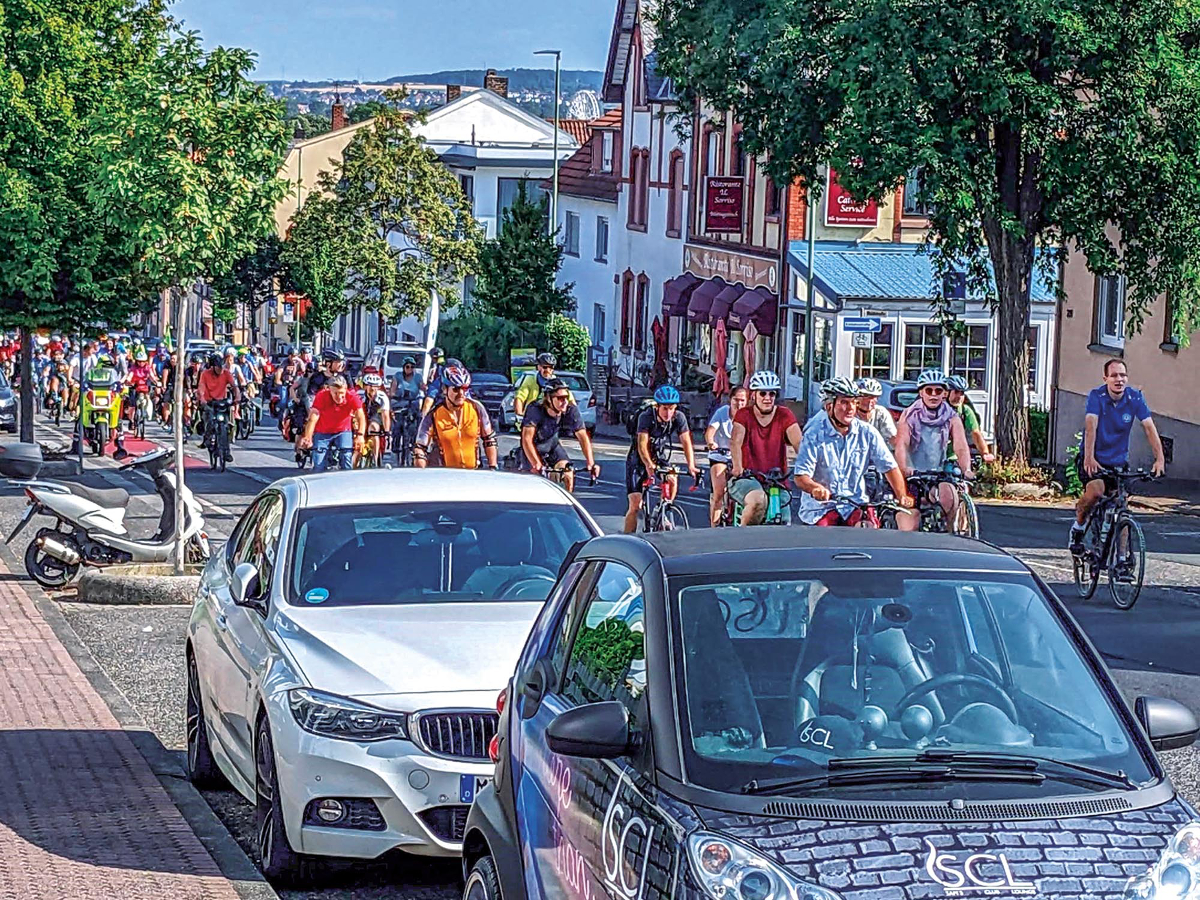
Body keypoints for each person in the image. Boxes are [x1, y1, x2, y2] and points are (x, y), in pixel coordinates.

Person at [1069, 359, 1165, 552]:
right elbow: (1091, 426)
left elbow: (1149, 427)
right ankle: (1078, 527)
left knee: (1122, 508)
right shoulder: (1097, 396)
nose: (1119, 379)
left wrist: (1159, 458)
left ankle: (1121, 559)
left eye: (1122, 375)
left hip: (1118, 462)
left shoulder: (1134, 398)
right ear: (1106, 378)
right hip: (1095, 459)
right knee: (1095, 492)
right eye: (1114, 375)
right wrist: (1089, 457)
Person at [794, 378, 913, 526]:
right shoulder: (814, 433)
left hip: (855, 504)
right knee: (823, 538)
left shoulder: (868, 432)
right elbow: (801, 476)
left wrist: (902, 495)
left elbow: (889, 467)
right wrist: (815, 488)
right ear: (829, 406)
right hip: (821, 509)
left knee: (869, 529)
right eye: (844, 402)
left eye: (854, 402)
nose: (851, 408)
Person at [894, 369, 974, 532]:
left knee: (950, 498)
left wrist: (966, 469)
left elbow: (961, 446)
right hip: (913, 473)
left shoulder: (951, 416)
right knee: (910, 522)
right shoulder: (909, 415)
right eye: (928, 390)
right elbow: (902, 444)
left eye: (938, 391)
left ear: (944, 393)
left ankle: (950, 535)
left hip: (937, 471)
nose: (933, 395)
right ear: (921, 393)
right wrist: (905, 468)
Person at [729, 370, 803, 526]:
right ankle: (740, 541)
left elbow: (799, 443)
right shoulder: (744, 415)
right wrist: (738, 466)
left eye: (772, 394)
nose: (768, 398)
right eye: (763, 393)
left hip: (777, 479)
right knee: (758, 501)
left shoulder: (785, 415)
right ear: (753, 395)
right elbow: (736, 442)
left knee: (784, 520)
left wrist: (806, 467)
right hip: (748, 477)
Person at [623, 384, 699, 533]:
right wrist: (648, 464)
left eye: (672, 408)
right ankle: (627, 537)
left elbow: (686, 441)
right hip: (638, 459)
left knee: (672, 477)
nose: (668, 413)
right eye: (665, 408)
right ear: (657, 406)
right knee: (635, 505)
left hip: (659, 455)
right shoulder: (646, 416)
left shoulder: (679, 417)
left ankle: (664, 508)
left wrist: (691, 465)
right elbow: (642, 444)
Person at [520, 377, 600, 492]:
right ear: (548, 398)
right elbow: (526, 439)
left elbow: (582, 436)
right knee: (533, 484)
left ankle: (565, 507)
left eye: (566, 397)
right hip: (532, 449)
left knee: (568, 472)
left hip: (552, 447)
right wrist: (536, 464)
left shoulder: (570, 409)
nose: (565, 402)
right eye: (561, 398)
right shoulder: (535, 409)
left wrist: (591, 463)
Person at [414, 364, 499, 469]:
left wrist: (493, 467)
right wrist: (422, 472)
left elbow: (489, 439)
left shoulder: (476, 408)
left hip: (473, 474)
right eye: (456, 389)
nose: (461, 393)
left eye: (465, 388)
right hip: (443, 476)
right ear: (445, 389)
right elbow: (420, 448)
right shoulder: (434, 414)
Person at [295, 374, 365, 471]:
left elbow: (360, 416)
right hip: (323, 431)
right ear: (329, 390)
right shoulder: (322, 396)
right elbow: (313, 418)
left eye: (341, 393)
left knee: (346, 457)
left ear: (345, 389)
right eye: (335, 393)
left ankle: (348, 482)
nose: (339, 397)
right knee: (319, 463)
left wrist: (360, 435)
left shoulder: (352, 397)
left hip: (343, 430)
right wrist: (308, 436)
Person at [704, 386, 749, 527]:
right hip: (720, 455)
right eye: (736, 400)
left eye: (742, 400)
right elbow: (710, 432)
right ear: (730, 400)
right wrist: (711, 443)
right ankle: (714, 526)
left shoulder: (749, 415)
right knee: (719, 492)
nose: (739, 404)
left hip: (739, 457)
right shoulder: (722, 413)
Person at [197, 353, 239, 462]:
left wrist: (237, 397)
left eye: (221, 367)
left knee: (227, 425)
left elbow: (234, 386)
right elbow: (201, 387)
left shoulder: (226, 373)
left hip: (222, 403)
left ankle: (227, 451)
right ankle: (207, 439)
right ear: (213, 366)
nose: (220, 370)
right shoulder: (205, 374)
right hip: (209, 403)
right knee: (209, 421)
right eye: (218, 367)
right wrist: (202, 398)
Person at [946, 374, 994, 464]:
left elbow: (975, 433)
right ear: (946, 393)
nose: (959, 397)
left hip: (954, 458)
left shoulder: (965, 411)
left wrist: (985, 453)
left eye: (962, 393)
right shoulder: (935, 410)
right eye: (956, 392)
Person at [513, 352, 574, 419]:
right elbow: (519, 398)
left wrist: (574, 417)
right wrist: (519, 415)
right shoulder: (530, 380)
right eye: (545, 367)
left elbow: (571, 401)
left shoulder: (558, 383)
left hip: (552, 419)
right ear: (538, 367)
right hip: (532, 418)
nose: (548, 370)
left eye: (551, 367)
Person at [357, 372, 392, 466]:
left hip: (376, 416)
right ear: (364, 386)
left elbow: (385, 415)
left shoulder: (382, 397)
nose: (372, 388)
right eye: (370, 385)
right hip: (361, 415)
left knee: (374, 428)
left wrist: (387, 431)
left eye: (376, 386)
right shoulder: (359, 395)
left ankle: (375, 460)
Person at [854, 377, 897, 448]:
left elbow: (892, 437)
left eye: (873, 397)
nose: (869, 401)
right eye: (866, 396)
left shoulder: (881, 413)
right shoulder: (850, 412)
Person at [420, 347, 446, 416]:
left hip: (440, 388)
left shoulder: (440, 367)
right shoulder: (443, 365)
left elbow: (437, 383)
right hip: (445, 389)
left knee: (429, 398)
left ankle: (423, 418)